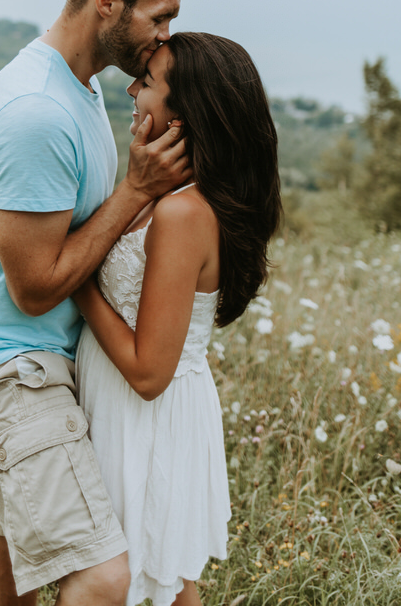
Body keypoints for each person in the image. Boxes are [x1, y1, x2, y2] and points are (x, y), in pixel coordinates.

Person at [0, 0, 192, 606]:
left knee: (13, 533)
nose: (165, 37)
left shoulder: (81, 84)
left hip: (17, 350)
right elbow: (36, 288)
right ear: (108, 2)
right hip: (7, 362)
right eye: (159, 16)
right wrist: (137, 190)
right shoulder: (38, 110)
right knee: (102, 576)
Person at [75, 32, 282, 606]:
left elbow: (148, 373)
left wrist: (74, 280)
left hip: (145, 415)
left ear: (186, 113)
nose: (131, 88)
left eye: (149, 82)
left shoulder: (184, 213)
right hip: (117, 399)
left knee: (136, 580)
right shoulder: (163, 190)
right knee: (159, 582)